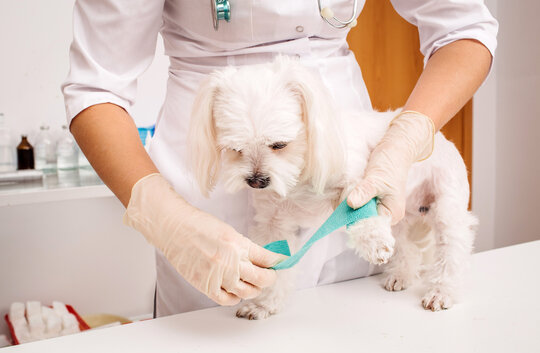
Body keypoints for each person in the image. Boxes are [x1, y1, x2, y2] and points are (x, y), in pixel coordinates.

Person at [62, 1, 498, 317]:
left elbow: (463, 27)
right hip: (209, 175)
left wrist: (408, 134)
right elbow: (96, 88)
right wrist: (167, 220)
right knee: (219, 333)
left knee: (360, 326)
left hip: (347, 155)